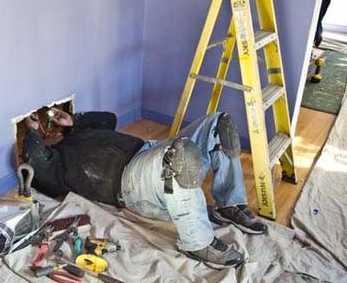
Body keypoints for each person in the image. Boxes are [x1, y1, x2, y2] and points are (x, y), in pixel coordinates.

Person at [22, 108, 267, 269]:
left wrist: (74, 121)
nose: (50, 132)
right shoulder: (58, 163)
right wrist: (31, 131)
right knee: (180, 157)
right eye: (45, 134)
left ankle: (230, 203)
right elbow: (34, 160)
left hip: (151, 150)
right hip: (132, 182)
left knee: (220, 123)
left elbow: (108, 118)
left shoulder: (78, 133)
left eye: (50, 128)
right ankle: (198, 242)